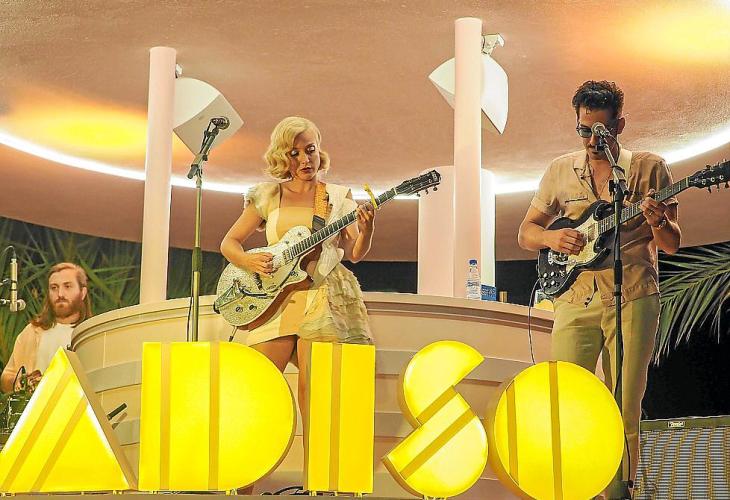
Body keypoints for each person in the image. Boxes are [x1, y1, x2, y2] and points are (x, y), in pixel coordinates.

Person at [517, 80, 681, 497]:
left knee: (624, 404)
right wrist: (552, 238)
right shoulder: (560, 170)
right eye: (584, 130)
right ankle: (573, 487)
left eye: (601, 131)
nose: (592, 140)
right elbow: (526, 233)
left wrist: (658, 220)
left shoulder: (648, 168)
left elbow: (671, 243)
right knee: (568, 399)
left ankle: (618, 491)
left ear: (619, 125)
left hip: (633, 295)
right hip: (575, 299)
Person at [220, 116, 376, 487]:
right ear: (283, 157)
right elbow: (229, 243)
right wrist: (249, 261)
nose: (305, 159)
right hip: (274, 300)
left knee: (315, 397)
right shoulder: (267, 195)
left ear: (319, 150)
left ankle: (317, 486)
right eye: (294, 153)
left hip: (320, 297)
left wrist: (368, 227)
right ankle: (241, 487)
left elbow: (355, 252)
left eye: (310, 150)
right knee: (258, 390)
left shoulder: (337, 197)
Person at [1, 262, 93, 393]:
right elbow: (6, 377)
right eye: (54, 288)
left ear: (82, 292)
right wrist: (21, 382)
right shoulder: (33, 331)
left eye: (67, 286)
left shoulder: (91, 334)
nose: (60, 294)